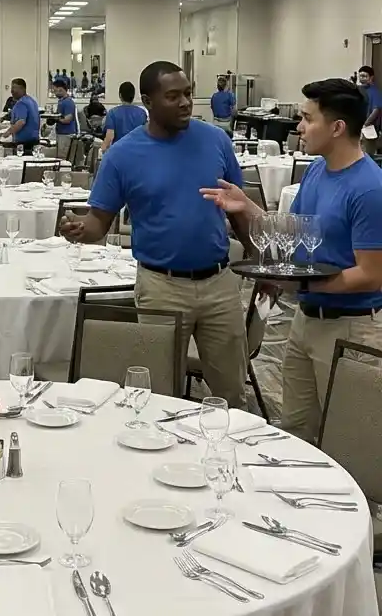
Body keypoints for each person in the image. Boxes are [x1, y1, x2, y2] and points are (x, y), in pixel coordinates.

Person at [60, 60, 251, 408]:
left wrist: (257, 257)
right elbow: (99, 222)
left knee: (232, 392)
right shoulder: (122, 156)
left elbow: (239, 207)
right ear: (148, 102)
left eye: (188, 94)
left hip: (219, 284)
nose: (185, 103)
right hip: (161, 288)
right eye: (173, 96)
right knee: (160, 394)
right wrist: (79, 229)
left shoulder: (215, 140)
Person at [202, 78, 382, 442]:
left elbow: (371, 275)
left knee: (348, 437)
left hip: (352, 326)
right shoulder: (316, 171)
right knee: (296, 428)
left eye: (307, 118)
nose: (299, 127)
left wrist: (303, 284)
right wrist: (247, 206)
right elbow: (289, 231)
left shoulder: (370, 188)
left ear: (337, 127)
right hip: (306, 320)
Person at [101, 81, 148, 153]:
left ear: (120, 95)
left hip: (119, 153)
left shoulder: (112, 113)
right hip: (137, 152)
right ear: (133, 96)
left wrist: (102, 150)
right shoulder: (142, 113)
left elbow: (109, 137)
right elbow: (146, 135)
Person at [3, 78, 40, 153]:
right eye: (11, 88)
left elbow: (21, 122)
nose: (12, 91)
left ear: (22, 89)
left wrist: (6, 134)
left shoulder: (21, 103)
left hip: (23, 143)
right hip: (34, 140)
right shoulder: (32, 101)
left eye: (14, 88)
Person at [358, 65, 382, 155]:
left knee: (367, 154)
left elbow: (376, 110)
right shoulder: (359, 90)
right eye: (360, 76)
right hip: (358, 127)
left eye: (364, 76)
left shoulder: (375, 92)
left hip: (369, 128)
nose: (362, 79)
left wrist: (365, 124)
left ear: (371, 77)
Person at [52, 79, 78, 159]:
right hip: (61, 133)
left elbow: (68, 119)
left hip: (66, 134)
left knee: (63, 158)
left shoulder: (68, 102)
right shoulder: (61, 102)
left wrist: (56, 119)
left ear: (60, 89)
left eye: (55, 91)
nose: (54, 93)